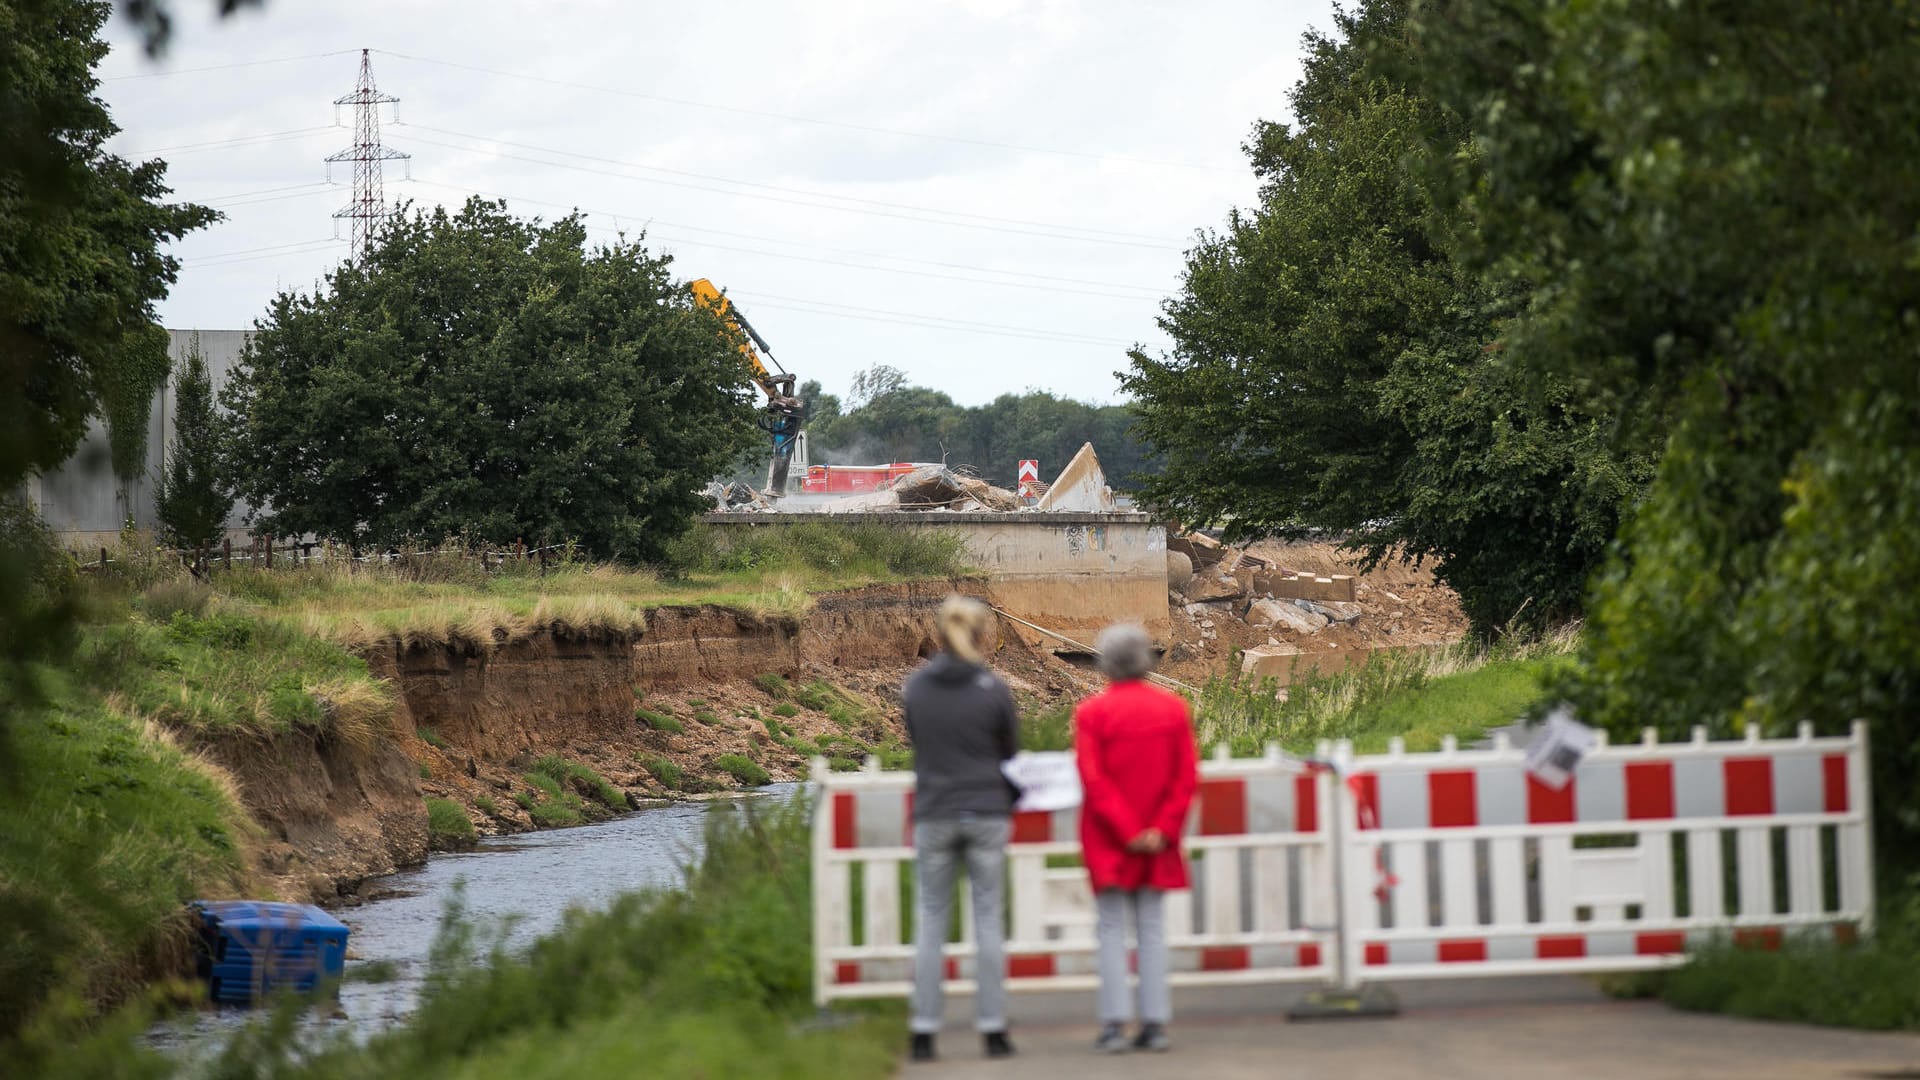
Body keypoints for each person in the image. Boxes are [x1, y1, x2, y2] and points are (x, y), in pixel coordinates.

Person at [902, 595, 1019, 1063]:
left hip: (935, 810)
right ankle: (992, 1029)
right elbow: (1009, 753)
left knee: (931, 920)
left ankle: (924, 1030)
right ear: (979, 635)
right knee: (988, 919)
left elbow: (917, 740)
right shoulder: (993, 689)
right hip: (986, 809)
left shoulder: (917, 689)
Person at [1073, 623, 1198, 1054]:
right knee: (1151, 930)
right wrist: (1159, 830)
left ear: (1105, 662)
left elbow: (1094, 779)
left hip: (1110, 838)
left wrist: (1127, 831)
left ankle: (1112, 1025)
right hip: (1158, 838)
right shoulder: (1174, 709)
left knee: (1110, 929)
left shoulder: (1091, 713)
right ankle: (1155, 1023)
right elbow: (1185, 778)